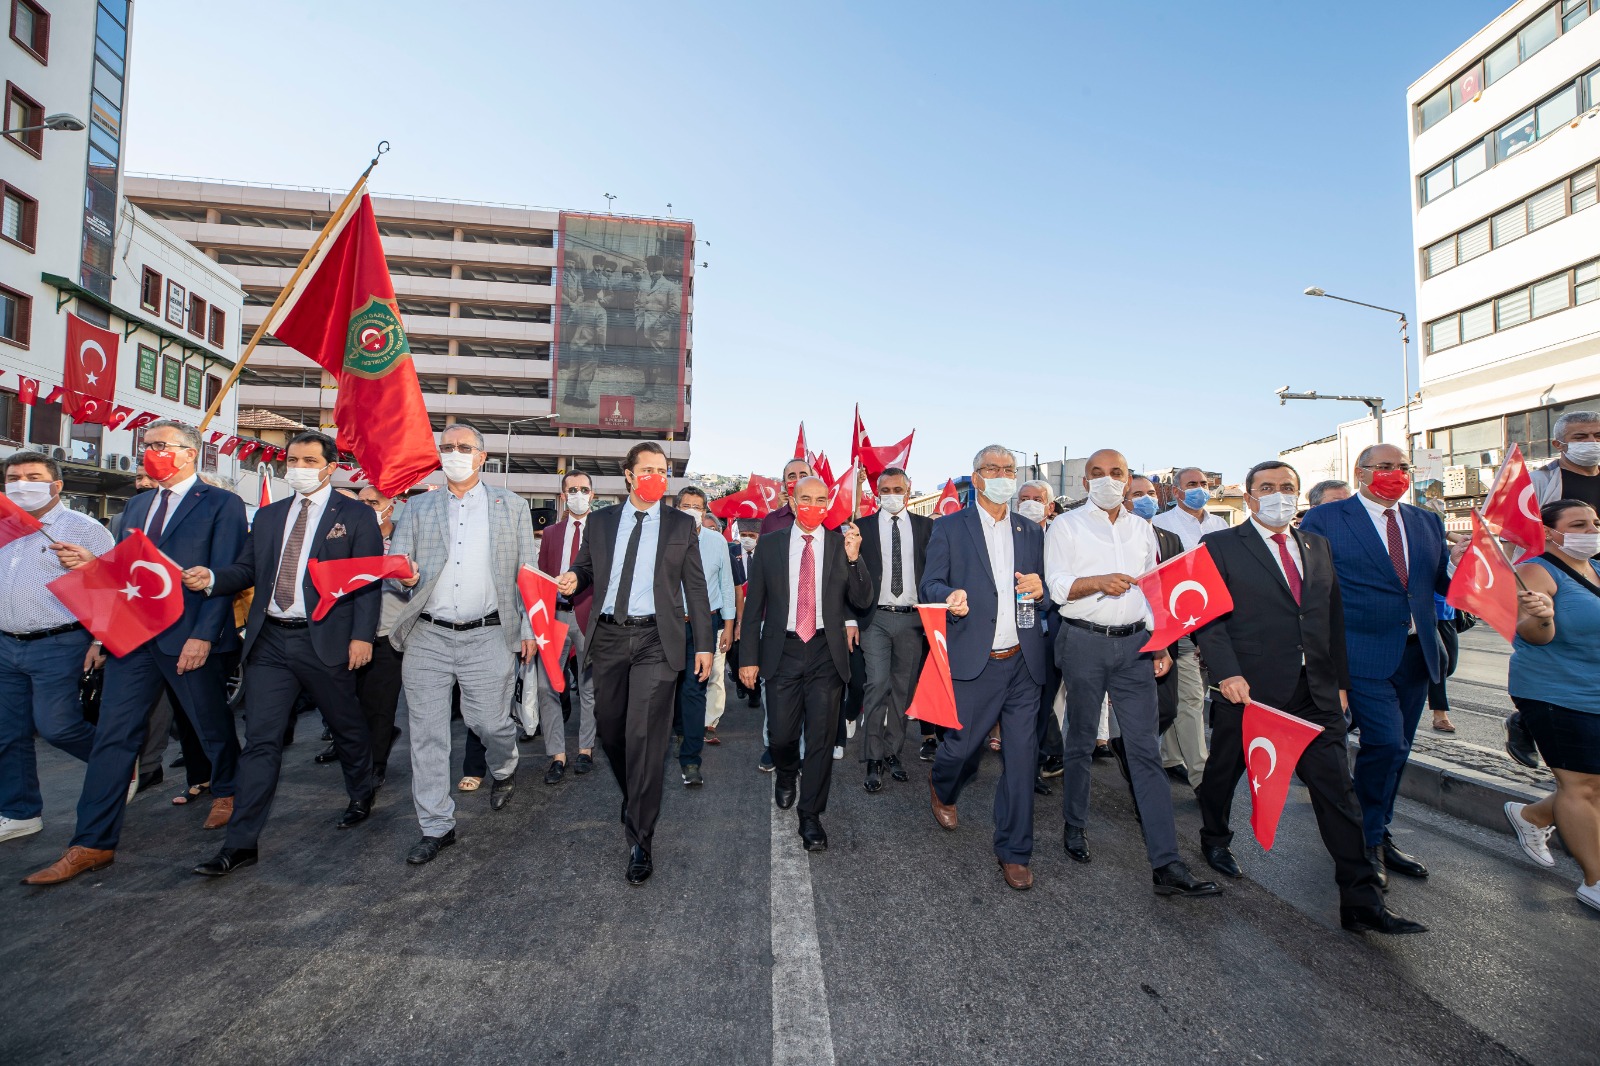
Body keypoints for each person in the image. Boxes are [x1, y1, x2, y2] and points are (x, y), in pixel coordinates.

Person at [1192, 461, 1422, 934]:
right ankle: (1214, 836)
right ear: (1250, 497)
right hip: (1250, 691)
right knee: (1224, 771)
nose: (1279, 495)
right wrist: (1227, 672)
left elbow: (1330, 617)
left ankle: (1361, 900)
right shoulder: (1219, 545)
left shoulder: (1317, 546)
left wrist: (1339, 681)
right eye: (1268, 488)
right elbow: (1206, 616)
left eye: (1288, 487)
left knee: (1338, 791)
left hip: (1315, 690)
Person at [25, 421, 247, 885]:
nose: (150, 454)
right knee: (113, 735)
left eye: (160, 446)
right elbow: (127, 571)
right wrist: (100, 620)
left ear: (189, 453)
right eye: (146, 446)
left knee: (209, 723)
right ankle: (92, 843)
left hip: (189, 635)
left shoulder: (221, 503)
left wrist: (204, 635)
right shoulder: (138, 503)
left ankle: (227, 788)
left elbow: (226, 575)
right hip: (135, 635)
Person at [180, 431, 384, 877]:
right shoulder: (270, 516)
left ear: (331, 467)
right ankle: (242, 842)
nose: (299, 467)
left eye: (309, 460)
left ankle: (361, 790)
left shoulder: (355, 515)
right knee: (261, 742)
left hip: (325, 640)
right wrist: (212, 579)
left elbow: (367, 580)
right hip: (270, 641)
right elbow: (247, 569)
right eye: (293, 459)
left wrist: (362, 637)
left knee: (347, 724)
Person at [1044, 448, 1219, 898]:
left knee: (1144, 751)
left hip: (1135, 647)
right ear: (1085, 483)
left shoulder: (1144, 529)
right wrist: (1098, 581)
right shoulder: (1065, 526)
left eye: (1116, 473)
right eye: (1098, 474)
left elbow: (1154, 589)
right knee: (1082, 740)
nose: (1107, 480)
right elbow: (1059, 587)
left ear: (1128, 479)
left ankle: (1167, 863)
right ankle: (1075, 826)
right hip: (1083, 640)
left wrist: (1160, 639)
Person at [1299, 443, 1463, 889]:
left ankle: (1379, 830)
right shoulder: (1326, 519)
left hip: (1415, 653)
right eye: (1384, 467)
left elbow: (1444, 584)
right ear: (1361, 472)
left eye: (1401, 467)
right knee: (1386, 745)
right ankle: (1365, 840)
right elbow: (1312, 590)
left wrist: (1465, 561)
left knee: (1400, 749)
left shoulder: (1425, 520)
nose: (1395, 474)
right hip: (1359, 654)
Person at [558, 442, 714, 885]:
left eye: (662, 470)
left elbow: (696, 589)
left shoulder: (682, 524)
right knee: (610, 729)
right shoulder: (603, 521)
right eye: (647, 469)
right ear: (628, 475)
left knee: (645, 735)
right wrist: (575, 576)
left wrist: (704, 644)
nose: (655, 476)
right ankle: (638, 796)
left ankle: (641, 838)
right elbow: (587, 569)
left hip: (655, 640)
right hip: (607, 636)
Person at [390, 424, 539, 866]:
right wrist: (405, 577)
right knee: (428, 735)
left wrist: (530, 626)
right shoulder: (417, 508)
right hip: (428, 635)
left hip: (490, 633)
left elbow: (527, 573)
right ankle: (436, 824)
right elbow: (398, 569)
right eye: (447, 447)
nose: (454, 453)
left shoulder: (511, 507)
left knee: (487, 720)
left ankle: (505, 762)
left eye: (463, 448)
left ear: (481, 457)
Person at [923, 447, 1051, 890]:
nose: (1002, 475)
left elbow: (1044, 593)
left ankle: (1015, 850)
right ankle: (942, 786)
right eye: (992, 469)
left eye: (1008, 469)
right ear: (976, 478)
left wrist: (1041, 589)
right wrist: (949, 595)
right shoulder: (949, 528)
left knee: (1020, 758)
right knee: (960, 748)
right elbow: (931, 584)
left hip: (1023, 660)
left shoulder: (1031, 531)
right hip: (974, 660)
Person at [738, 477, 872, 852]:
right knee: (781, 735)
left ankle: (810, 816)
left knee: (820, 739)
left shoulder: (840, 544)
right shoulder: (771, 545)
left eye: (822, 499)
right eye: (806, 499)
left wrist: (854, 557)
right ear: (792, 503)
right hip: (782, 650)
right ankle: (785, 772)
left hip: (826, 654)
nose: (814, 505)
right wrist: (748, 657)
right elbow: (754, 607)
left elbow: (862, 600)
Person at [0, 453, 114, 845]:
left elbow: (113, 587)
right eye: (13, 477)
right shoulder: (3, 525)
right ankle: (19, 812)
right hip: (5, 643)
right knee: (7, 733)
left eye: (33, 476)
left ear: (56, 485)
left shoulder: (83, 528)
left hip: (60, 642)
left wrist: (101, 640)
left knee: (57, 725)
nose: (21, 484)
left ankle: (115, 761)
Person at [1502, 499, 1600, 914]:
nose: (1591, 529)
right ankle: (1595, 881)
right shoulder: (1533, 571)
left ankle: (1532, 816)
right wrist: (1540, 616)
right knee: (1582, 786)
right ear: (1549, 532)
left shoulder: (1596, 569)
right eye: (1578, 523)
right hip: (1556, 693)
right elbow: (1533, 635)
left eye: (1595, 522)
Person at [855, 467, 932, 793]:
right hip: (876, 619)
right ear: (876, 492)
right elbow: (849, 577)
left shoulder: (928, 527)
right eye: (885, 490)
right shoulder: (862, 528)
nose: (891, 495)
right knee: (877, 685)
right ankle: (872, 757)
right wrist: (850, 620)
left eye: (897, 489)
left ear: (909, 489)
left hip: (913, 621)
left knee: (903, 690)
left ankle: (892, 753)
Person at [1151, 466, 1223, 791]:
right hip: (1173, 625)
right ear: (1177, 492)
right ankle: (1198, 775)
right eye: (1191, 484)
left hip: (1210, 621)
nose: (1199, 489)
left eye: (1203, 484)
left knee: (1190, 696)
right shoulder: (1161, 526)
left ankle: (1181, 764)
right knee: (1184, 697)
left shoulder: (1219, 525)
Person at [532, 472, 598, 786]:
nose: (578, 494)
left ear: (593, 494)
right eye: (572, 490)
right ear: (563, 496)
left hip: (589, 618)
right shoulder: (551, 533)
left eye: (583, 489)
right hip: (554, 618)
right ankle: (557, 755)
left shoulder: (603, 532)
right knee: (547, 687)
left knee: (588, 688)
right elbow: (541, 578)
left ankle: (585, 749)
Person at [671, 486, 736, 788]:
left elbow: (726, 584)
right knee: (669, 688)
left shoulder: (716, 542)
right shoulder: (663, 539)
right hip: (668, 624)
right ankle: (678, 730)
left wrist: (729, 626)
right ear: (676, 508)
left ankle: (691, 760)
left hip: (704, 624)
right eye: (686, 505)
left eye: (698, 506)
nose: (692, 510)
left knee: (695, 689)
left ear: (705, 509)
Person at [354, 484, 409, 785]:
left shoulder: (404, 538)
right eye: (360, 501)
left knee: (380, 704)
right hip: (349, 636)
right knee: (352, 702)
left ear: (391, 506)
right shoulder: (345, 538)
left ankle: (376, 764)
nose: (365, 507)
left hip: (388, 633)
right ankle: (369, 743)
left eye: (373, 502)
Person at [1018, 479, 1063, 793]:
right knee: (1020, 706)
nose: (1030, 503)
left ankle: (1034, 767)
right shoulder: (1005, 535)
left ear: (1050, 507)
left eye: (1037, 498)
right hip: (1011, 637)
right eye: (1024, 498)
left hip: (1050, 636)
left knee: (1042, 704)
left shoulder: (1062, 539)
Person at [1531, 411, 1600, 510]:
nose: (1593, 441)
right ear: (1558, 445)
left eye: (1598, 436)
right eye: (1580, 437)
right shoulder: (1536, 482)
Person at [759, 458, 813, 536]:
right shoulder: (770, 521)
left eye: (803, 476)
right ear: (784, 484)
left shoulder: (826, 519)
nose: (798, 480)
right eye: (792, 477)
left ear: (813, 480)